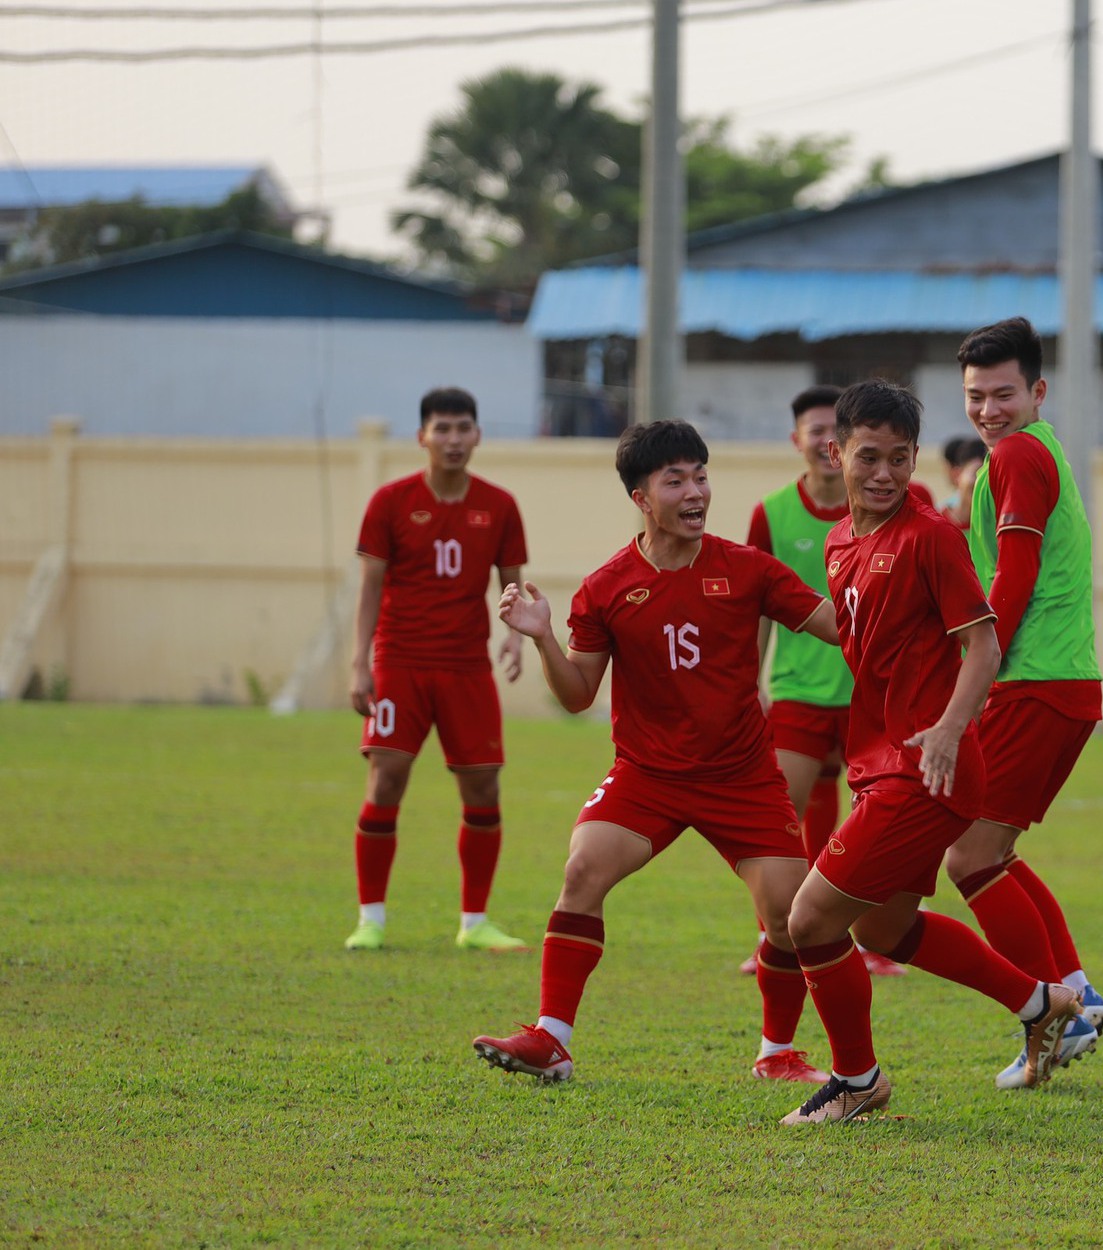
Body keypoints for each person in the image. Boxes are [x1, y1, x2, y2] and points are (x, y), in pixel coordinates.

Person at [471, 420, 843, 1087]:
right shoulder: (606, 587)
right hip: (648, 776)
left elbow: (837, 626)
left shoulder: (748, 569)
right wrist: (542, 638)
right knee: (583, 868)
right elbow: (579, 694)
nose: (695, 490)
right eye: (676, 479)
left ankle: (777, 1053)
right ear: (641, 497)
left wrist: (910, 595)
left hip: (742, 779)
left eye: (701, 475)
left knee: (789, 917)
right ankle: (551, 1039)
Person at [777, 379, 1083, 1124]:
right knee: (882, 929)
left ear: (916, 459)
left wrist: (949, 728)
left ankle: (856, 1081)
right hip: (881, 763)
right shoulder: (841, 541)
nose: (884, 474)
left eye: (900, 459)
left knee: (809, 921)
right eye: (868, 457)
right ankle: (1041, 1003)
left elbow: (981, 645)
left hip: (926, 769)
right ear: (835, 451)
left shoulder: (930, 538)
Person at [953, 317, 1103, 1088]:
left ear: (1038, 392)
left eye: (1003, 394)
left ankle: (1057, 1012)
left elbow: (1012, 580)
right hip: (1062, 683)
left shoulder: (1016, 454)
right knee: (995, 855)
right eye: (976, 396)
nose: (988, 410)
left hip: (1033, 682)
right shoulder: (1033, 453)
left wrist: (971, 685)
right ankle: (1077, 994)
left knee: (969, 858)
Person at [344, 387, 529, 954]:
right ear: (422, 436)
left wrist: (516, 639)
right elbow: (371, 585)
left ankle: (475, 923)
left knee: (482, 785)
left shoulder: (499, 506)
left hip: (467, 666)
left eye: (463, 428)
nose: (453, 439)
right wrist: (360, 660)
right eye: (442, 429)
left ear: (478, 435)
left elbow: (512, 582)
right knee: (387, 779)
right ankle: (370, 920)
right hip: (400, 661)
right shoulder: (390, 501)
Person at [740, 385, 903, 978]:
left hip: (872, 694)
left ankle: (866, 941)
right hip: (797, 691)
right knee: (777, 813)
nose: (821, 440)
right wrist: (749, 682)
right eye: (811, 429)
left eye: (830, 431)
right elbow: (757, 607)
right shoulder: (772, 512)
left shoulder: (885, 507)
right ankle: (774, 939)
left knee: (876, 820)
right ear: (797, 441)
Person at [938, 436, 987, 528]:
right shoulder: (935, 524)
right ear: (957, 475)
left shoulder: (996, 529)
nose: (984, 483)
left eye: (990, 476)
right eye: (977, 473)